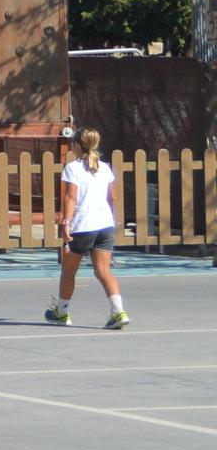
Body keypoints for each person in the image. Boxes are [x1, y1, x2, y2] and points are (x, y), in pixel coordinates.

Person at [49, 128, 131, 330]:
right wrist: (112, 217)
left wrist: (66, 223)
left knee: (68, 272)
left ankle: (61, 312)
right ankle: (118, 311)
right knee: (103, 270)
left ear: (77, 145)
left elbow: (70, 197)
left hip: (82, 226)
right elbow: (112, 197)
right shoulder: (104, 168)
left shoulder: (72, 168)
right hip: (104, 225)